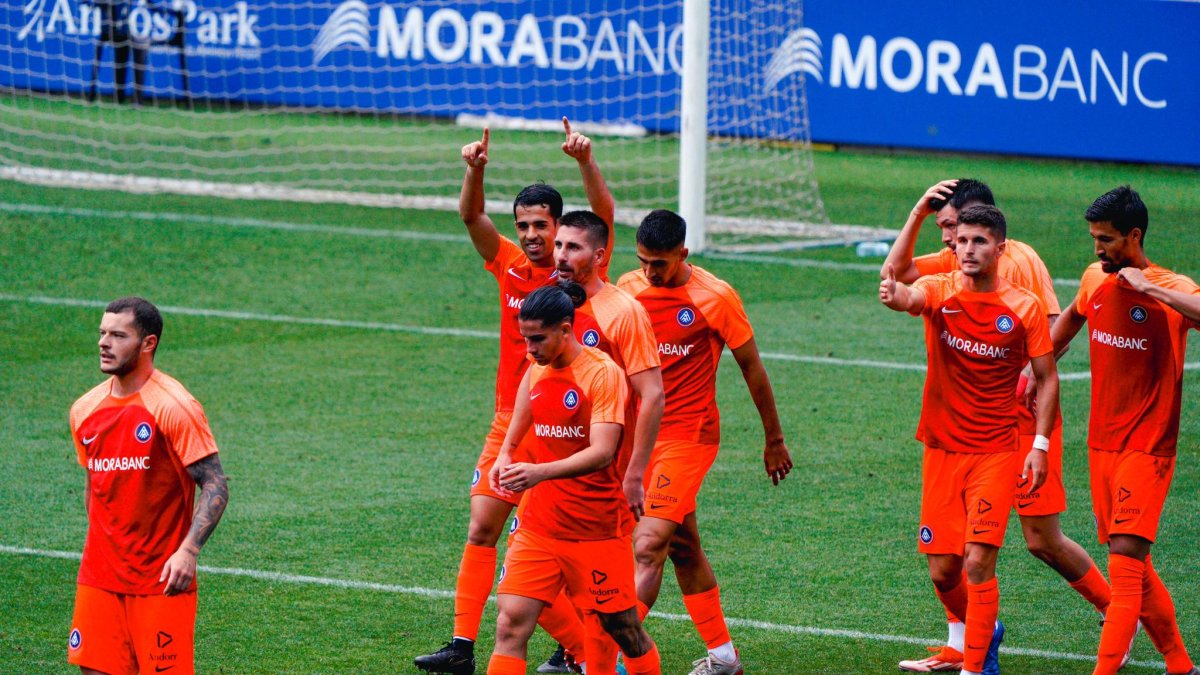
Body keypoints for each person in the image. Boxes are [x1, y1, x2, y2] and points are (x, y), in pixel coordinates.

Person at [884, 179, 1113, 673]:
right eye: (948, 232)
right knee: (950, 560)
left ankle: (1120, 613)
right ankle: (964, 643)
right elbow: (900, 277)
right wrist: (917, 214)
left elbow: (1052, 333)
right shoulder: (956, 263)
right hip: (958, 431)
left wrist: (1028, 394)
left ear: (983, 224)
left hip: (1019, 425)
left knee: (1040, 539)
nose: (949, 241)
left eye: (953, 228)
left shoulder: (1019, 266)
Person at [416, 119, 615, 675]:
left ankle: (577, 648)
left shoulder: (576, 269)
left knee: (550, 549)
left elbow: (604, 216)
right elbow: (470, 216)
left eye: (541, 226)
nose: (531, 235)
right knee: (482, 526)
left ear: (561, 228)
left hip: (564, 430)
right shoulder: (506, 263)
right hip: (509, 421)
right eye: (524, 225)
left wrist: (585, 163)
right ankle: (460, 645)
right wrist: (473, 170)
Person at [617, 209, 792, 674]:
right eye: (643, 262)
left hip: (690, 436)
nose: (650, 273)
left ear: (683, 254)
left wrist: (773, 438)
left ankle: (613, 656)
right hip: (639, 439)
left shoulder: (715, 297)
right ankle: (724, 657)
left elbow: (752, 367)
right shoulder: (629, 289)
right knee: (684, 546)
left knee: (648, 544)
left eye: (660, 264)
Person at [1046, 186, 1200, 675]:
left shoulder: (1170, 287)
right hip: (1100, 445)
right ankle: (1180, 665)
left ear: (1134, 236)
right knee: (1128, 558)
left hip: (1149, 447)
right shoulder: (1095, 278)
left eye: (1108, 239)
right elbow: (1072, 317)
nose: (1098, 249)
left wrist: (1149, 288)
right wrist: (1034, 369)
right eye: (1094, 238)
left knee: (1126, 564)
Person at [485, 283, 661, 675]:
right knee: (511, 623)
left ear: (566, 329)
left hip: (597, 530)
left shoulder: (603, 375)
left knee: (623, 629)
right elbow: (519, 421)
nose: (529, 348)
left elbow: (602, 452)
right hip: (541, 526)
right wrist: (505, 456)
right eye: (524, 338)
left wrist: (536, 473)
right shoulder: (537, 369)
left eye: (537, 339)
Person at [67, 297, 229, 675]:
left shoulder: (174, 406)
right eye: (102, 333)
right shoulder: (84, 409)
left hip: (160, 581)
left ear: (147, 344)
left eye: (118, 335)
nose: (104, 343)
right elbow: (96, 488)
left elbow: (216, 483)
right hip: (100, 577)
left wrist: (188, 551)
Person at [552, 209, 664, 672]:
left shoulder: (623, 312)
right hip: (552, 471)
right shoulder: (551, 304)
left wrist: (635, 471)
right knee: (516, 605)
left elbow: (652, 393)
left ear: (599, 256)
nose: (560, 255)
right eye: (559, 245)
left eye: (572, 247)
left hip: (603, 481)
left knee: (609, 618)